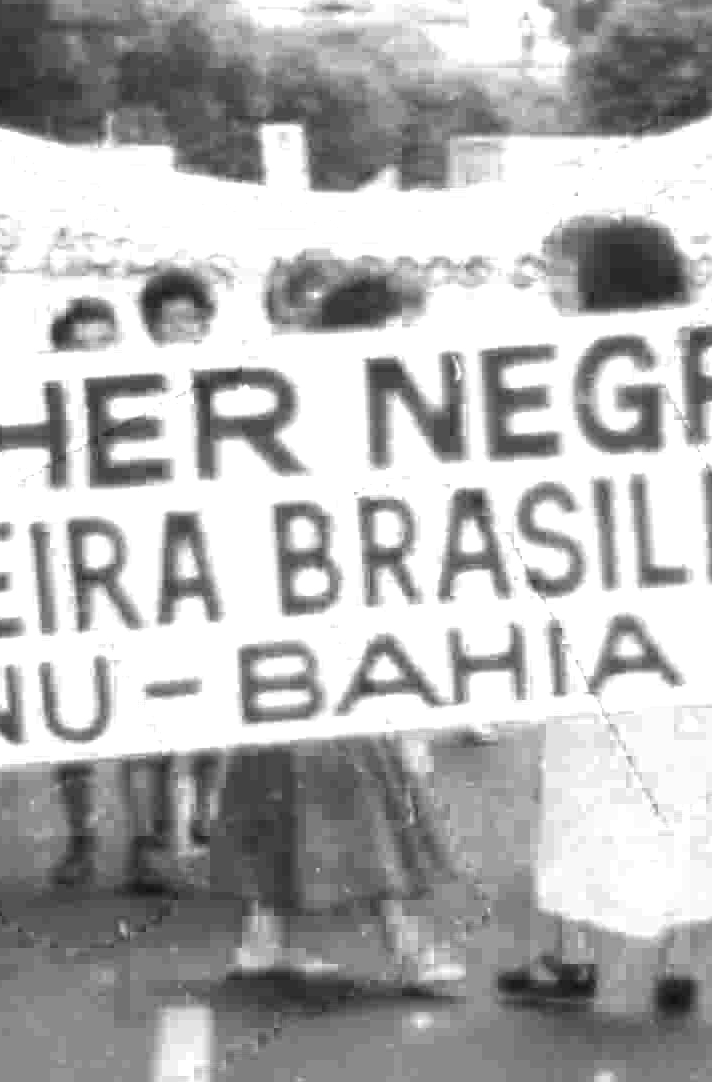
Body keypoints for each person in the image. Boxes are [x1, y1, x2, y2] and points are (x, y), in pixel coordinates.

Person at [501, 218, 712, 1016]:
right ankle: (634, 980)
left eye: (565, 275)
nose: (550, 290)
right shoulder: (707, 357)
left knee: (628, 817)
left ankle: (620, 1013)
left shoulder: (620, 373)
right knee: (646, 811)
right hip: (655, 637)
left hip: (644, 640)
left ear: (607, 283)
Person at [209, 263, 467, 993]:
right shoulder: (324, 397)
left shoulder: (370, 398)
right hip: (313, 613)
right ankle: (403, 943)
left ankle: (264, 936)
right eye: (397, 325)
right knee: (345, 774)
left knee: (286, 771)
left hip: (327, 609)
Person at [41, 296, 179, 894]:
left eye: (104, 340)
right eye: (81, 342)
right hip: (68, 579)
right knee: (72, 717)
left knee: (148, 714)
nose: (93, 353)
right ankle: (81, 840)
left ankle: (148, 844)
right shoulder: (38, 411)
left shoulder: (150, 404)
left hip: (141, 576)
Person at [133, 268, 224, 851]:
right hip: (149, 560)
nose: (181, 329)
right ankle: (155, 828)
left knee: (218, 699)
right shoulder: (127, 384)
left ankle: (205, 812)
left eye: (191, 319)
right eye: (170, 320)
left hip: (214, 554)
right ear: (151, 327)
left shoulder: (227, 384)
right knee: (156, 703)